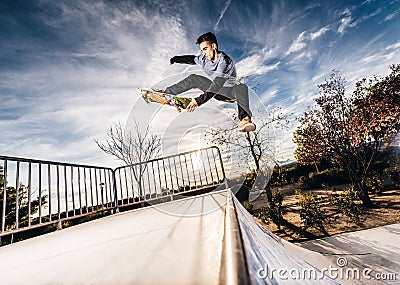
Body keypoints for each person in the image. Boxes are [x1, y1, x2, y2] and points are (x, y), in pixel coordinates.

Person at [161, 32, 256, 132]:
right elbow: (190, 59)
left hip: (229, 93)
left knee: (241, 87)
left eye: (205, 49)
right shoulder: (203, 59)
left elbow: (218, 84)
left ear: (214, 46)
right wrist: (175, 59)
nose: (204, 53)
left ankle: (245, 119)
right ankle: (166, 92)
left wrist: (198, 100)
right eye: (202, 50)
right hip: (214, 90)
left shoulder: (224, 62)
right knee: (194, 78)